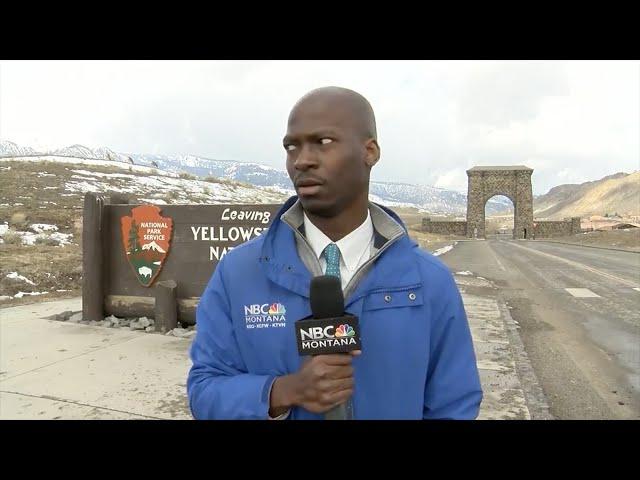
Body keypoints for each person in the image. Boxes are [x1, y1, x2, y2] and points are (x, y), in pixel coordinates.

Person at [187, 86, 482, 419]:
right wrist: (283, 391)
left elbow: (454, 405)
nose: (302, 160)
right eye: (291, 146)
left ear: (369, 151)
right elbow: (204, 391)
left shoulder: (429, 281)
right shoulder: (239, 273)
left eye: (323, 142)